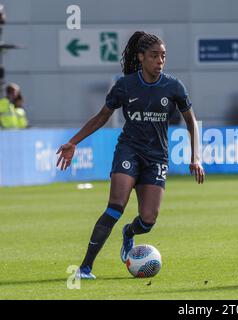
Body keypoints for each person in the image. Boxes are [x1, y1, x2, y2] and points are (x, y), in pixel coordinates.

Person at [56, 31, 205, 279]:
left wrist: (195, 157)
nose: (160, 61)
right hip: (129, 150)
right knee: (115, 206)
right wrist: (73, 142)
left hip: (156, 157)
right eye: (154, 56)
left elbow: (192, 123)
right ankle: (85, 268)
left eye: (163, 56)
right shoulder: (125, 86)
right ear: (141, 57)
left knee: (148, 219)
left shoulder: (173, 86)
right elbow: (102, 117)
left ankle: (129, 232)